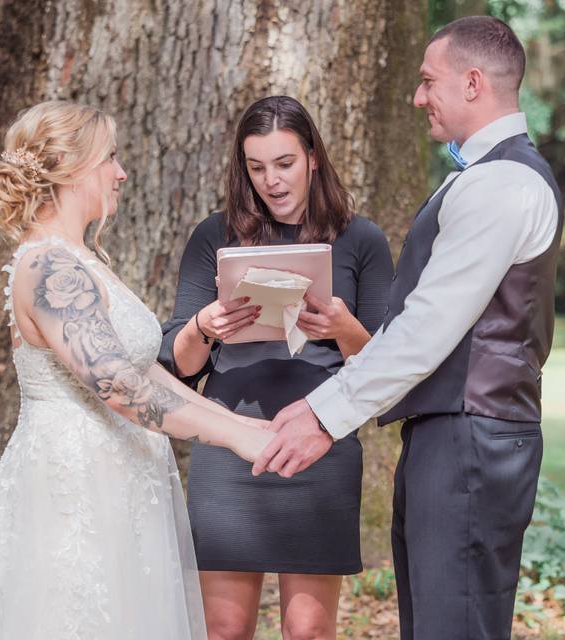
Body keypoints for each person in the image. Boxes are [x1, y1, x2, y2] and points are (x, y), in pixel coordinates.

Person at [0, 100, 274, 640]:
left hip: (123, 475)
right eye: (110, 157)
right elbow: (118, 385)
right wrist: (236, 439)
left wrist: (246, 427)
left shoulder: (80, 258)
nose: (121, 171)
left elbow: (147, 373)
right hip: (77, 482)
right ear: (71, 167)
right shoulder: (48, 265)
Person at [256, 17, 563, 639]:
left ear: (473, 83)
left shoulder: (503, 183)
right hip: (451, 437)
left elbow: (428, 326)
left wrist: (324, 414)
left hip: (472, 441)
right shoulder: (484, 176)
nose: (418, 97)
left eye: (429, 82)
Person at [158, 95, 392, 640]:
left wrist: (342, 327)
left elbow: (385, 365)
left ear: (313, 157)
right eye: (256, 167)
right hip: (231, 443)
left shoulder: (362, 240)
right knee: (225, 629)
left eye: (284, 163)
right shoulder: (214, 236)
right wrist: (204, 326)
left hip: (319, 443)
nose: (272, 181)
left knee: (308, 631)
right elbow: (178, 366)